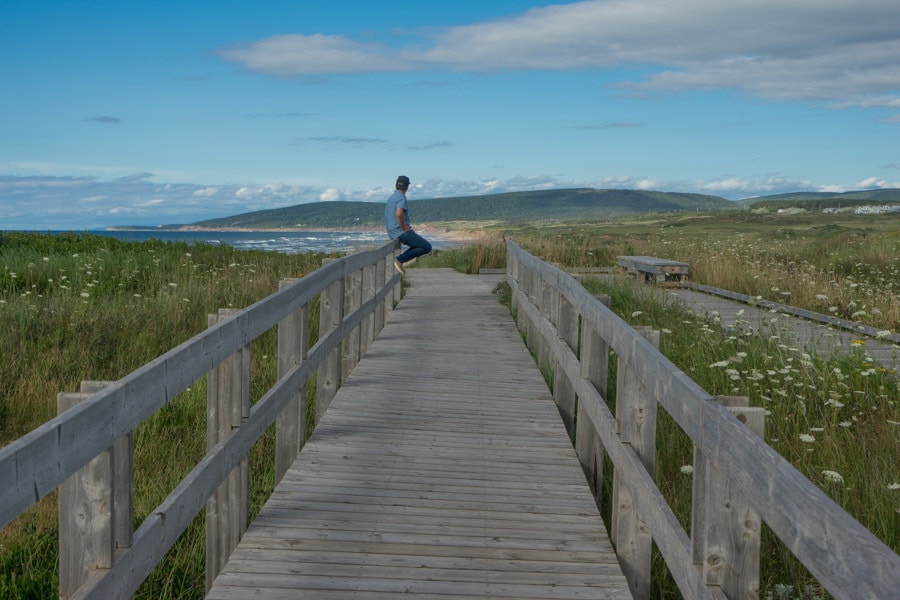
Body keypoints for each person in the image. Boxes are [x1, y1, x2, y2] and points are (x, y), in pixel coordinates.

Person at [384, 175, 431, 274]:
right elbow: (399, 213)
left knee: (418, 245)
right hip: (400, 232)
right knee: (426, 247)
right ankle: (400, 260)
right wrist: (404, 227)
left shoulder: (392, 197)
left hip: (392, 232)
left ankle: (402, 261)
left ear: (396, 185)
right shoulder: (401, 197)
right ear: (407, 187)